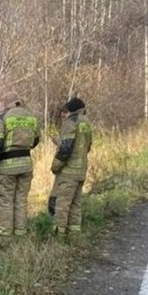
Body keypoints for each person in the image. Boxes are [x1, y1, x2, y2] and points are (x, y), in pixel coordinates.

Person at [0, 91, 40, 236]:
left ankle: (6, 235)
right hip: (26, 165)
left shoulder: (1, 118)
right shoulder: (31, 117)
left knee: (5, 201)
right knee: (21, 200)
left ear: (5, 104)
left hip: (7, 168)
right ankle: (20, 233)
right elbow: (36, 140)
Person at [48, 96, 93, 237]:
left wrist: (55, 166)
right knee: (75, 205)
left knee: (62, 205)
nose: (63, 114)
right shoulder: (86, 123)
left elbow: (66, 149)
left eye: (65, 111)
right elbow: (87, 146)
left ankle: (59, 237)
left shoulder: (70, 123)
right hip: (81, 171)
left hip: (68, 172)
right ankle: (74, 236)